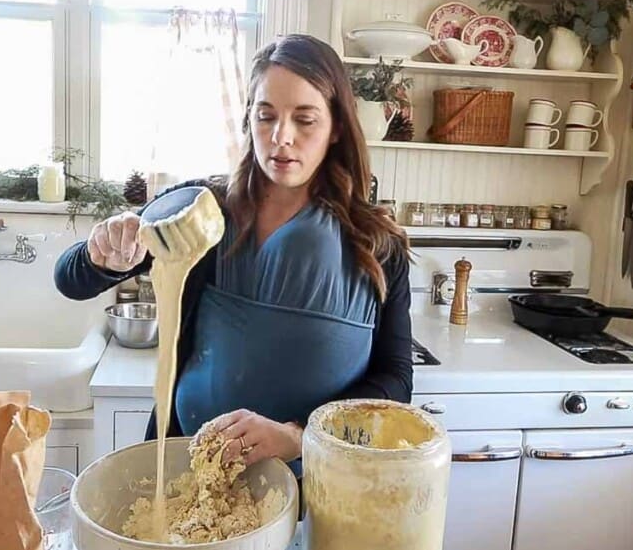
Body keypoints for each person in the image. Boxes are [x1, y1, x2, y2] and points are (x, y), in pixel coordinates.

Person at [55, 34, 412, 469]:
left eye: (305, 120)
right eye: (266, 117)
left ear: (336, 127)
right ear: (248, 120)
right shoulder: (202, 211)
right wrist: (103, 254)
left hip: (310, 485)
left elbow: (395, 381)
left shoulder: (377, 244)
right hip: (185, 471)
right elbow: (70, 279)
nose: (282, 137)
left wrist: (299, 435)